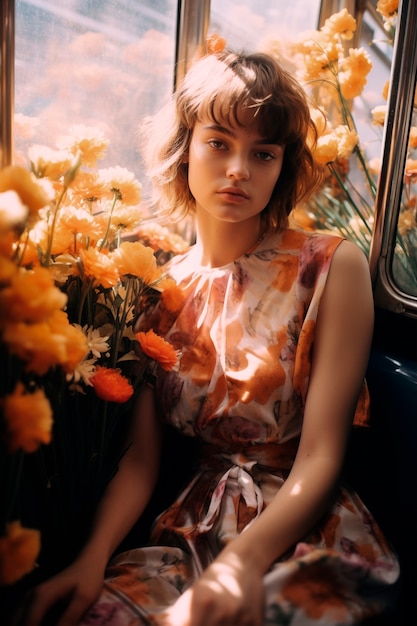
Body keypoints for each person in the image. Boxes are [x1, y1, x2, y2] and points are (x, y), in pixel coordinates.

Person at [23, 49, 399, 626]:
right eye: (219, 142)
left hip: (305, 533)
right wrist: (90, 559)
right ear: (186, 148)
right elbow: (140, 464)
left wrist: (241, 564)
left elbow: (322, 453)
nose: (239, 169)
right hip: (188, 532)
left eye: (263, 153)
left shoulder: (327, 267)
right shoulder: (156, 291)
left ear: (282, 168)